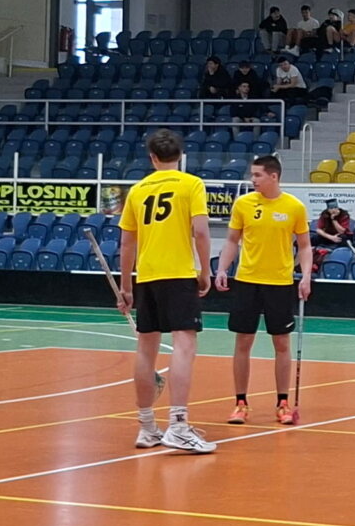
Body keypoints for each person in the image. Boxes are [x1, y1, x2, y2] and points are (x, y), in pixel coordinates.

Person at [119, 128, 216, 455]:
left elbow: (127, 243)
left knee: (145, 349)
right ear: (180, 156)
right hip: (177, 274)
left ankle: (147, 427)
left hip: (147, 276)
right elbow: (201, 232)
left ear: (152, 158)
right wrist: (205, 270)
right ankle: (178, 425)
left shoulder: (137, 190)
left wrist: (126, 285)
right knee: (184, 344)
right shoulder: (191, 184)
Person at [215, 154, 312, 426]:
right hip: (247, 280)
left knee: (281, 343)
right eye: (252, 174)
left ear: (273, 176)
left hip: (279, 283)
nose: (252, 179)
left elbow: (304, 246)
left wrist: (306, 276)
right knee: (243, 341)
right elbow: (232, 240)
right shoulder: (243, 204)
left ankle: (282, 403)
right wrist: (222, 269)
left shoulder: (294, 207)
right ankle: (240, 403)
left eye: (257, 175)